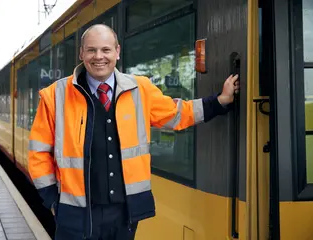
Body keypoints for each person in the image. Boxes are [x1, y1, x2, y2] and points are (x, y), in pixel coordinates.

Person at [28, 24, 239, 240]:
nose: (98, 56)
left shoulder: (140, 89)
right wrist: (52, 199)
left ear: (117, 52)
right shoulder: (56, 95)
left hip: (124, 215)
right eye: (91, 50)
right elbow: (38, 152)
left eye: (106, 50)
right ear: (81, 53)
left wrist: (220, 101)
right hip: (75, 215)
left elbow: (177, 114)